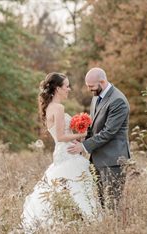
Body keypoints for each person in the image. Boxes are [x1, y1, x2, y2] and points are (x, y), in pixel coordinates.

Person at [21, 73, 97, 233]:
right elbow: (62, 137)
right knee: (78, 189)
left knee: (63, 189)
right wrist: (83, 135)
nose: (69, 89)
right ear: (57, 88)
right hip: (68, 154)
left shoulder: (49, 108)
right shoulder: (59, 108)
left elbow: (60, 135)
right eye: (66, 86)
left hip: (61, 153)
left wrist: (78, 133)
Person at [67, 67, 130, 210]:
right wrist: (83, 139)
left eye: (91, 86)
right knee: (102, 203)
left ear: (102, 82)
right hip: (98, 159)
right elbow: (94, 126)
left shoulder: (118, 101)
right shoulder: (96, 98)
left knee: (112, 204)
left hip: (113, 161)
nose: (89, 90)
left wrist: (84, 147)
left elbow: (108, 132)